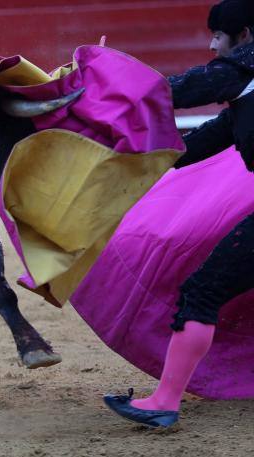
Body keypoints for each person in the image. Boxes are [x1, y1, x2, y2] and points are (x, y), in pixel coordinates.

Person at [104, 0, 254, 428]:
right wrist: (133, 163)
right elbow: (199, 144)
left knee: (202, 292)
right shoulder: (246, 90)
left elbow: (167, 94)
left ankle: (165, 403)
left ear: (243, 36)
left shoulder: (239, 72)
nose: (212, 46)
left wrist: (101, 92)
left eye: (218, 37)